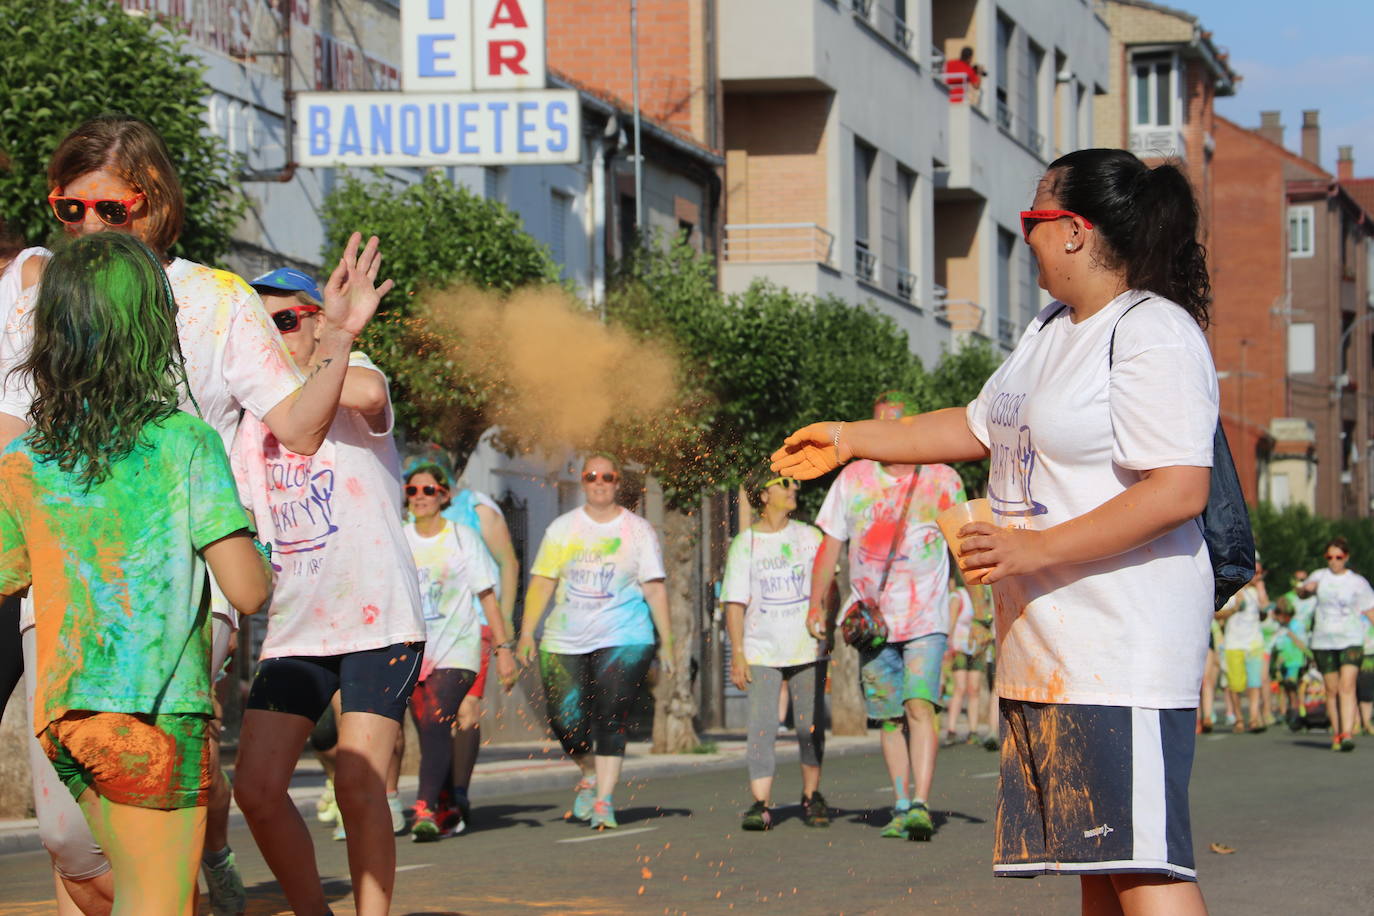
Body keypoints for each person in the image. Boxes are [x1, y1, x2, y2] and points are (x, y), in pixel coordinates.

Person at [774, 149, 1219, 914]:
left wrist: (1033, 548)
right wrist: (848, 438)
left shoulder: (1153, 333)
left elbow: (1179, 489)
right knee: (1103, 873)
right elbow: (974, 425)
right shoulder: (1051, 329)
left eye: (1033, 221)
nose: (1027, 239)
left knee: (1146, 875)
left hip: (1123, 651)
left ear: (1075, 231)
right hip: (1053, 651)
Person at [4, 113, 382, 916]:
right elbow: (11, 429)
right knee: (70, 839)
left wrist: (339, 339)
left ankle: (182, 856)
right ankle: (183, 861)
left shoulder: (214, 300)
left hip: (183, 593)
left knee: (146, 779)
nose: (93, 226)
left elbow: (299, 425)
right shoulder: (43, 291)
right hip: (65, 591)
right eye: (73, 209)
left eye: (116, 208)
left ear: (158, 204)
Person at [0, 231, 273, 916]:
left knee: (131, 883)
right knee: (155, 901)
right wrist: (256, 547)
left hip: (65, 714)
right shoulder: (184, 442)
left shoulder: (26, 459)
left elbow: (7, 574)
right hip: (155, 713)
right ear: (154, 328)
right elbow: (246, 588)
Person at [229, 262, 423, 916]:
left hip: (378, 622)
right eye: (262, 324)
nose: (272, 335)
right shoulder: (254, 411)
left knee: (358, 789)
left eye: (284, 320)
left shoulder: (352, 365)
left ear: (317, 320)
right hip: (294, 629)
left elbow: (368, 397)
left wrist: (339, 343)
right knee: (255, 789)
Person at [808, 392, 966, 842]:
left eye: (896, 425)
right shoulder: (853, 479)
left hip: (926, 618)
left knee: (919, 705)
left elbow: (963, 545)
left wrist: (980, 611)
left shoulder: (942, 478)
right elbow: (830, 547)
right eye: (879, 425)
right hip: (872, 623)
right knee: (889, 717)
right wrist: (816, 601)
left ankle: (921, 803)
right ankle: (900, 802)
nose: (887, 434)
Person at [516, 453, 675, 830]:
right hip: (564, 636)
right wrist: (524, 632)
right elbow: (541, 581)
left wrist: (667, 641)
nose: (599, 482)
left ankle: (604, 799)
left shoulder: (638, 530)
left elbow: (654, 589)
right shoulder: (563, 528)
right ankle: (588, 770)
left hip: (625, 634)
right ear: (583, 481)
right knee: (565, 721)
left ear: (619, 482)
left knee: (610, 715)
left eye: (607, 476)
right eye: (592, 476)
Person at [403, 464, 516, 839]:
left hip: (459, 649)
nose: (420, 497)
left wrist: (502, 649)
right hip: (413, 652)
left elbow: (487, 596)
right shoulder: (399, 539)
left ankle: (425, 807)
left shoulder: (463, 537)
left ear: (444, 495)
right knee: (428, 731)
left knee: (437, 720)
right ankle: (450, 804)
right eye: (413, 490)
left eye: (429, 490)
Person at [722, 470, 828, 831]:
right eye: (785, 483)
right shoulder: (745, 544)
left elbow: (828, 584)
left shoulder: (810, 537)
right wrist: (738, 652)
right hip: (761, 648)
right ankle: (760, 803)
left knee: (807, 726)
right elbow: (734, 603)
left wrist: (826, 615)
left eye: (795, 483)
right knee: (762, 726)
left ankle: (811, 796)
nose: (794, 488)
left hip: (806, 647)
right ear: (763, 495)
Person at [440, 480, 520, 822]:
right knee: (435, 717)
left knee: (467, 710)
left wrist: (505, 627)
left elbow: (508, 563)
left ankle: (459, 792)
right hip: (428, 630)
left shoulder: (478, 508)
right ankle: (439, 790)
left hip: (474, 625)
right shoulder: (404, 510)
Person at [1295, 537, 1374, 752]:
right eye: (1329, 557)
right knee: (1331, 689)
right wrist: (1306, 589)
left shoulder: (1357, 582)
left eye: (1338, 557)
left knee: (1346, 686)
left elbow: (1370, 611)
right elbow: (1300, 595)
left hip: (1351, 640)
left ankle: (1347, 733)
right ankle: (1337, 732)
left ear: (1346, 557)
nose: (1334, 561)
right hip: (1323, 639)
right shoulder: (1319, 577)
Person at [943, 579, 994, 747]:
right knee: (960, 688)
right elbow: (950, 623)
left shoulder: (983, 597)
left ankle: (973, 731)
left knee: (974, 689)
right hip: (959, 648)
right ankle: (951, 729)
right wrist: (946, 647)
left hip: (977, 648)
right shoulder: (958, 596)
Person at [1217, 566, 1267, 733]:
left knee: (1254, 683)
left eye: (1260, 574)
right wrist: (1235, 608)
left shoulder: (1257, 592)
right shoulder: (1233, 592)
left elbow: (1266, 610)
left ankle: (1253, 718)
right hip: (1234, 644)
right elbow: (1217, 614)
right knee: (1236, 685)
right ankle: (1239, 718)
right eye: (1256, 573)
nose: (1258, 577)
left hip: (1254, 644)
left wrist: (1261, 590)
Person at [1269, 597, 1310, 731]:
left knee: (1293, 688)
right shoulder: (1280, 628)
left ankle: (1297, 713)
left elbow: (1302, 644)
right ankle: (1286, 712)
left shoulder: (1296, 625)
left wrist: (1309, 657)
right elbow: (1278, 645)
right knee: (1284, 688)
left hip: (1295, 661)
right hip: (1284, 662)